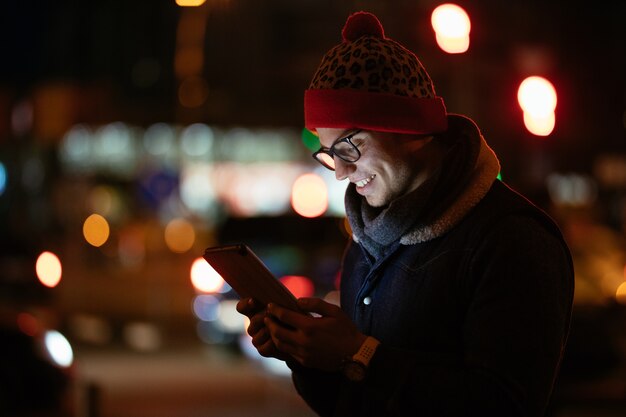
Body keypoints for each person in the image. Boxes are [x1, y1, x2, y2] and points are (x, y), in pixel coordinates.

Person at [237, 11, 574, 417]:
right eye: (328, 154)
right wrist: (306, 353)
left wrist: (359, 355)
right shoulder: (365, 241)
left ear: (410, 130)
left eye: (349, 147)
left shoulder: (511, 238)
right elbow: (351, 402)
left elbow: (506, 404)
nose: (341, 172)